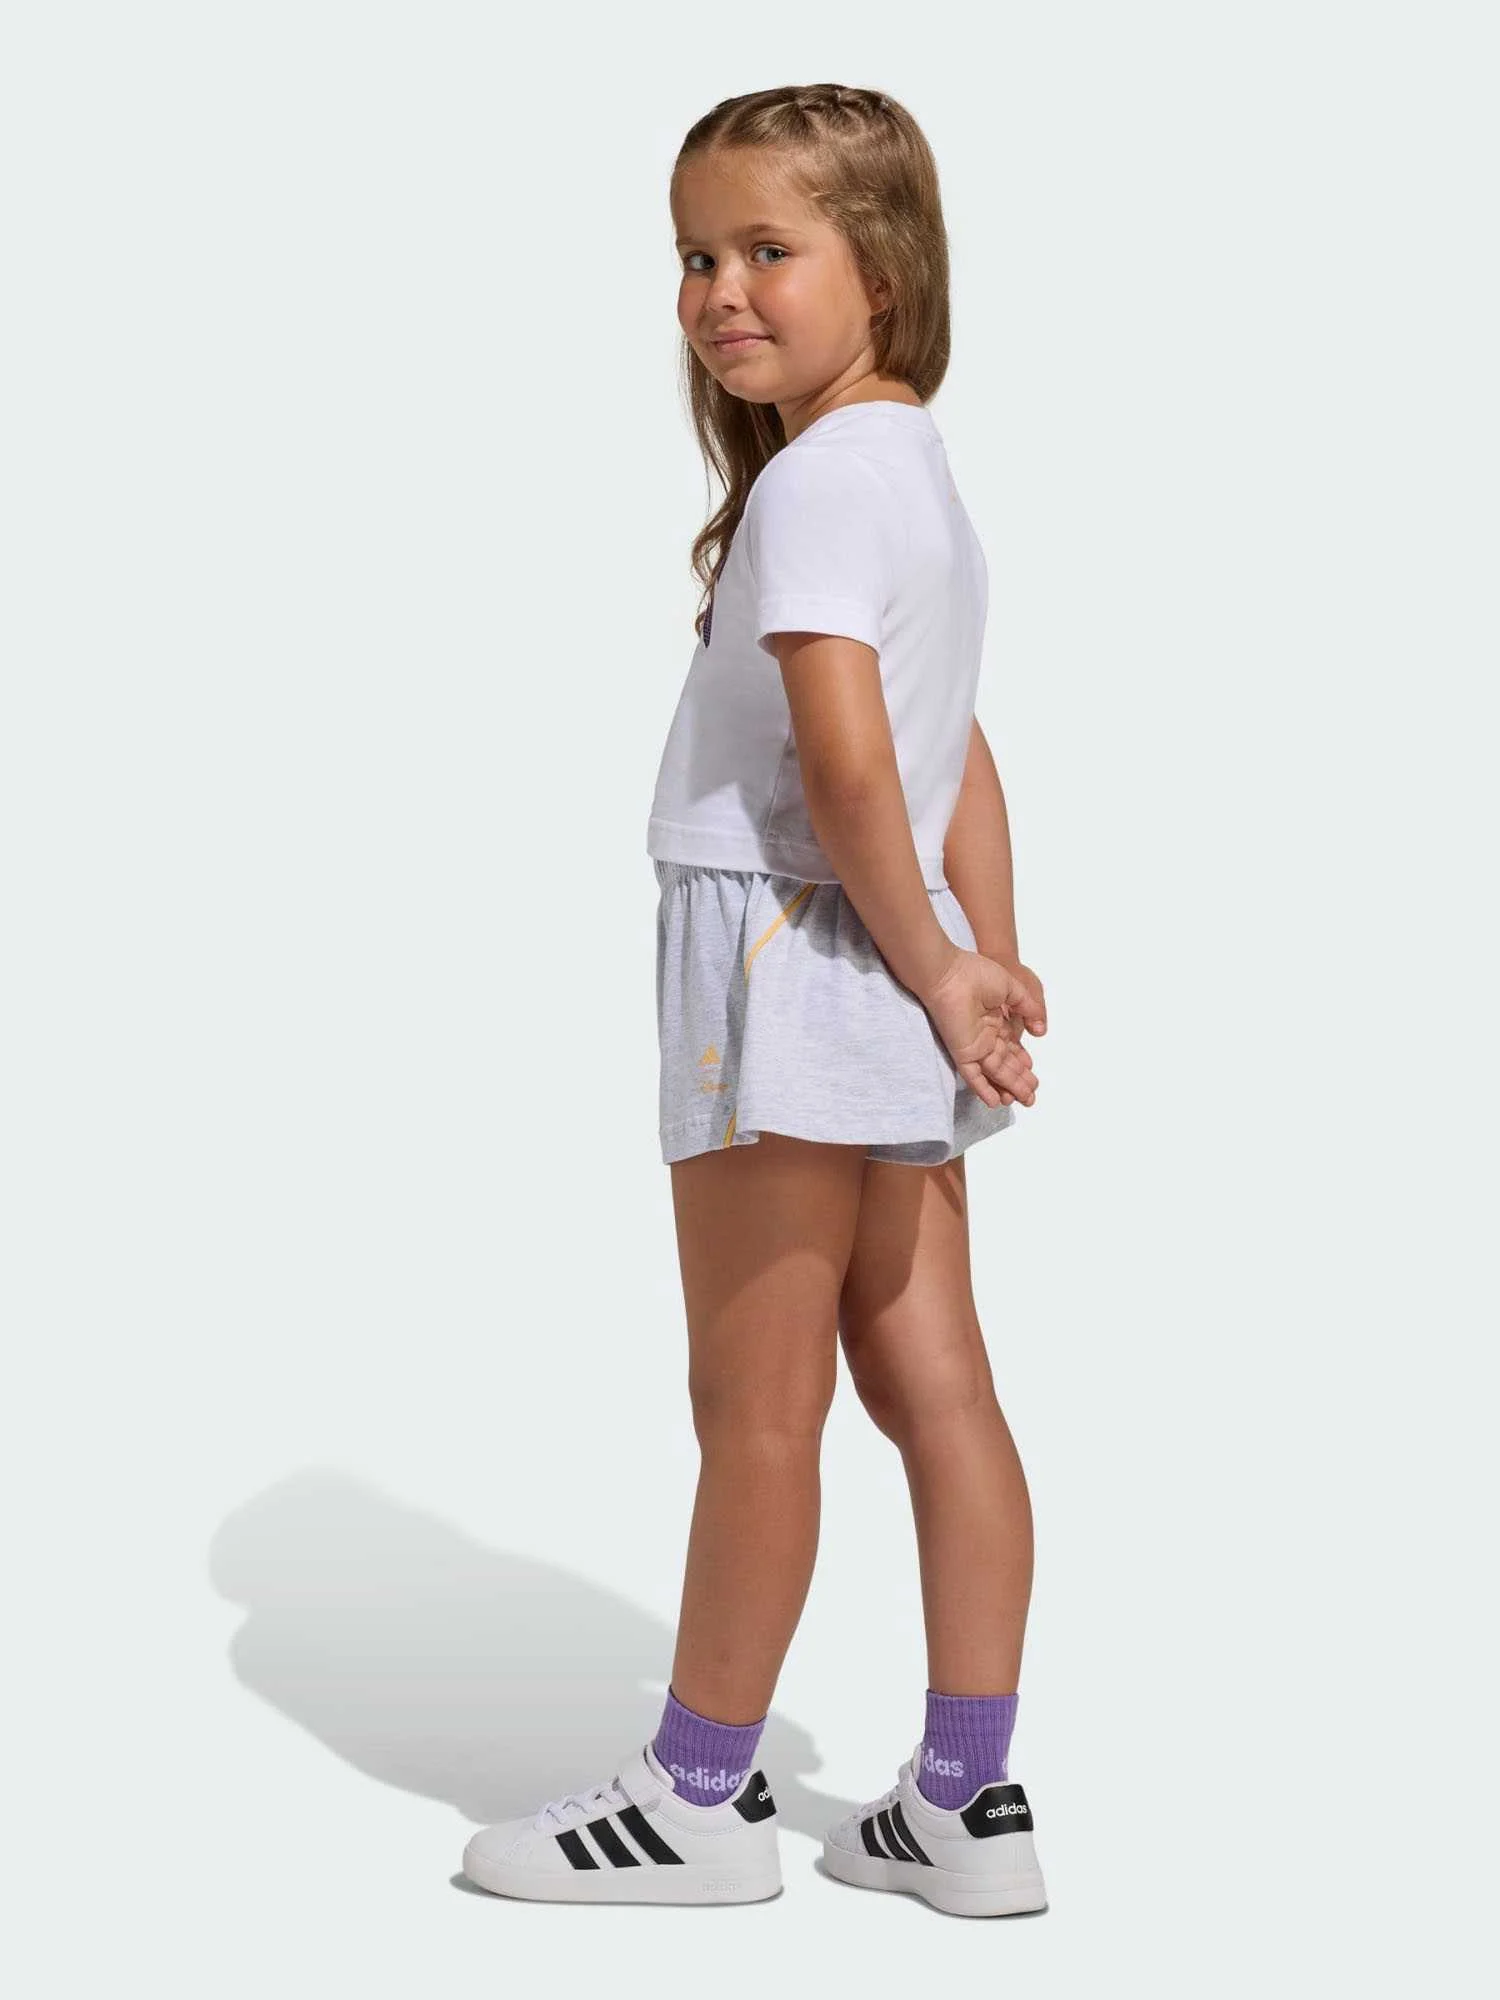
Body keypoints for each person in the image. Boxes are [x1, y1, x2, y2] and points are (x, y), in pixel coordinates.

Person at [461, 82, 1051, 1920]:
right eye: (695, 256)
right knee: (936, 1384)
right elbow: (963, 757)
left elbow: (860, 761)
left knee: (757, 1400)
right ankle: (967, 1799)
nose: (719, 291)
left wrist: (943, 969)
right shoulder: (912, 470)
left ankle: (697, 1798)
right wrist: (976, 959)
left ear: (885, 266)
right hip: (892, 945)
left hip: (790, 954)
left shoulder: (812, 488)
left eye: (767, 249)